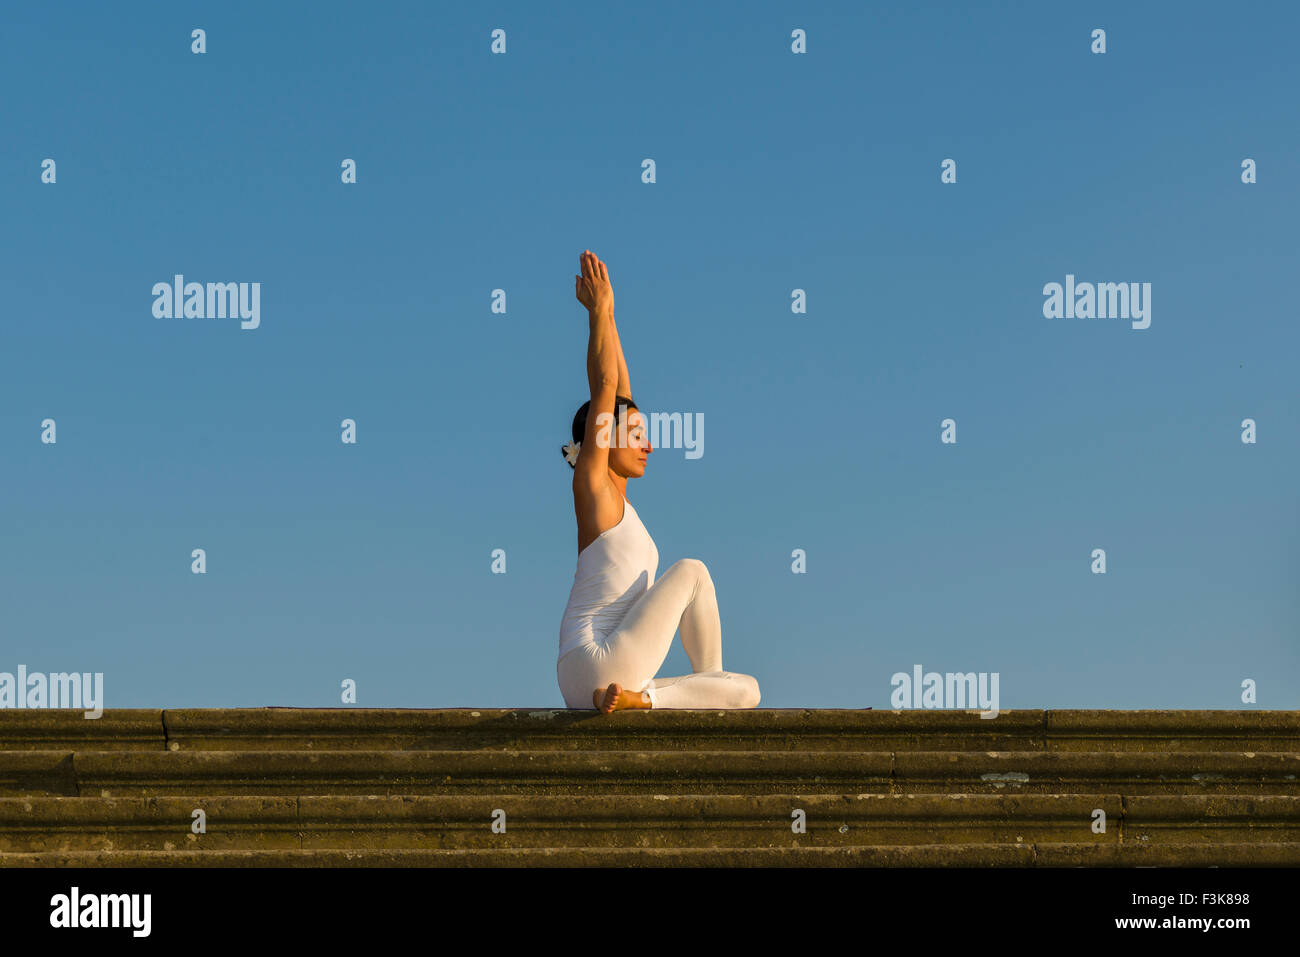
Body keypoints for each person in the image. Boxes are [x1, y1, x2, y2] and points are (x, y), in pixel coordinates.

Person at [556, 250, 761, 713]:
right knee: (693, 571)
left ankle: (639, 700)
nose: (648, 446)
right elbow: (606, 384)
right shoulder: (594, 490)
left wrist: (613, 320)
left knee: (745, 691)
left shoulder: (616, 501)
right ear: (603, 438)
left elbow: (620, 390)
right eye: (637, 436)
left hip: (593, 681)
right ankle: (663, 692)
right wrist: (599, 312)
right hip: (593, 657)